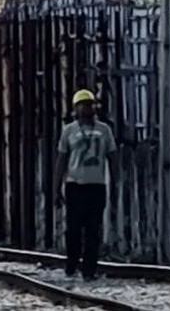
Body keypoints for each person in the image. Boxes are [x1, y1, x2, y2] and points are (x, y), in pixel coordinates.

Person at [54, 89, 118, 281]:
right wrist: (57, 188)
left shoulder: (104, 130)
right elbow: (61, 160)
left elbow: (112, 157)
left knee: (93, 229)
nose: (87, 108)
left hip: (96, 185)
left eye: (90, 104)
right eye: (83, 104)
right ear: (76, 109)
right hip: (75, 185)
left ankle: (89, 269)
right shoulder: (69, 131)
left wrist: (114, 183)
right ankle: (71, 265)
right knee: (73, 229)